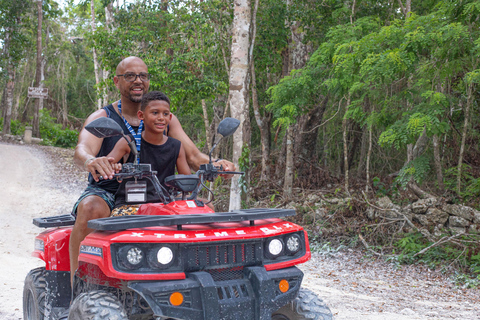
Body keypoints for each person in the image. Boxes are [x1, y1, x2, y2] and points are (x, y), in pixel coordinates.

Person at [70, 56, 235, 281]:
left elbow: (193, 156)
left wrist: (216, 164)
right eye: (130, 76)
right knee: (90, 208)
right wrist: (91, 160)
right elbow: (82, 148)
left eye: (143, 76)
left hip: (159, 191)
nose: (138, 81)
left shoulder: (165, 118)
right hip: (111, 191)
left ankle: (206, 275)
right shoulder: (103, 117)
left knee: (203, 207)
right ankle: (79, 285)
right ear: (117, 82)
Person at [108, 91, 191, 216]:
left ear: (170, 117)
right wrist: (113, 167)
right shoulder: (129, 141)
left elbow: (187, 182)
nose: (161, 118)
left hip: (164, 204)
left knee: (205, 207)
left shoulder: (176, 146)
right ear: (141, 115)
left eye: (165, 114)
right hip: (130, 205)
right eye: (155, 113)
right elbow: (107, 164)